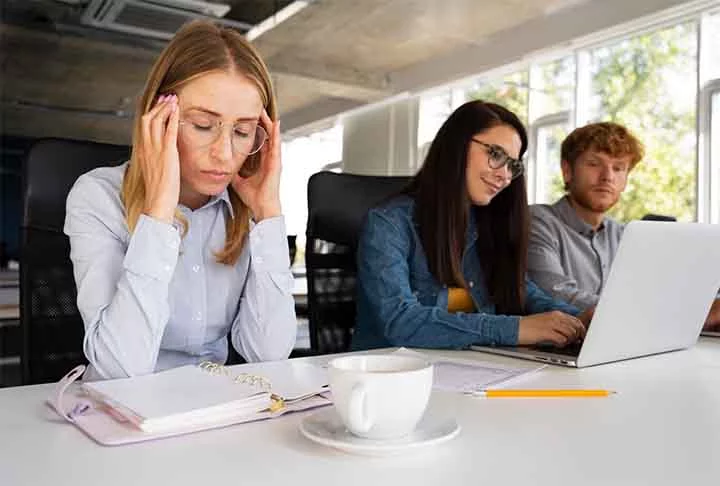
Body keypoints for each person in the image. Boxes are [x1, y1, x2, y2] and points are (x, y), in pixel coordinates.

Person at [64, 21, 297, 380]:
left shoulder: (243, 208)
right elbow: (120, 368)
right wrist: (157, 213)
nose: (224, 153)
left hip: (211, 406)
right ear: (158, 118)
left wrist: (268, 215)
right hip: (120, 414)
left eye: (242, 132)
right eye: (203, 125)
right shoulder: (97, 196)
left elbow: (267, 353)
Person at [351, 100, 589, 351]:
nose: (505, 175)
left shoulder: (487, 224)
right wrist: (516, 328)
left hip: (466, 369)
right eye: (495, 155)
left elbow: (524, 293)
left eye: (512, 165)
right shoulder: (388, 223)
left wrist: (578, 319)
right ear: (456, 146)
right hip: (389, 374)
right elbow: (400, 321)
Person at [527, 122, 720, 331]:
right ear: (567, 171)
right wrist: (675, 313)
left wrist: (697, 307)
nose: (607, 176)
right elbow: (555, 294)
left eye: (618, 168)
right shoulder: (538, 221)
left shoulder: (625, 235)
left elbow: (654, 292)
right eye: (594, 163)